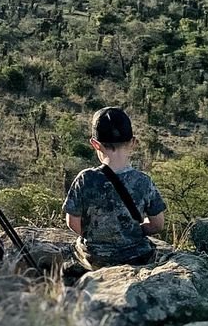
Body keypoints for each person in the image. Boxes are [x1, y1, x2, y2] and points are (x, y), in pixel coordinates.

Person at [63, 107, 167, 270]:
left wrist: (97, 236)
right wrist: (131, 233)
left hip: (95, 259)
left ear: (95, 144)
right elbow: (157, 225)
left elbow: (72, 222)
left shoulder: (85, 179)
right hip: (135, 259)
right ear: (133, 142)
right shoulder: (143, 182)